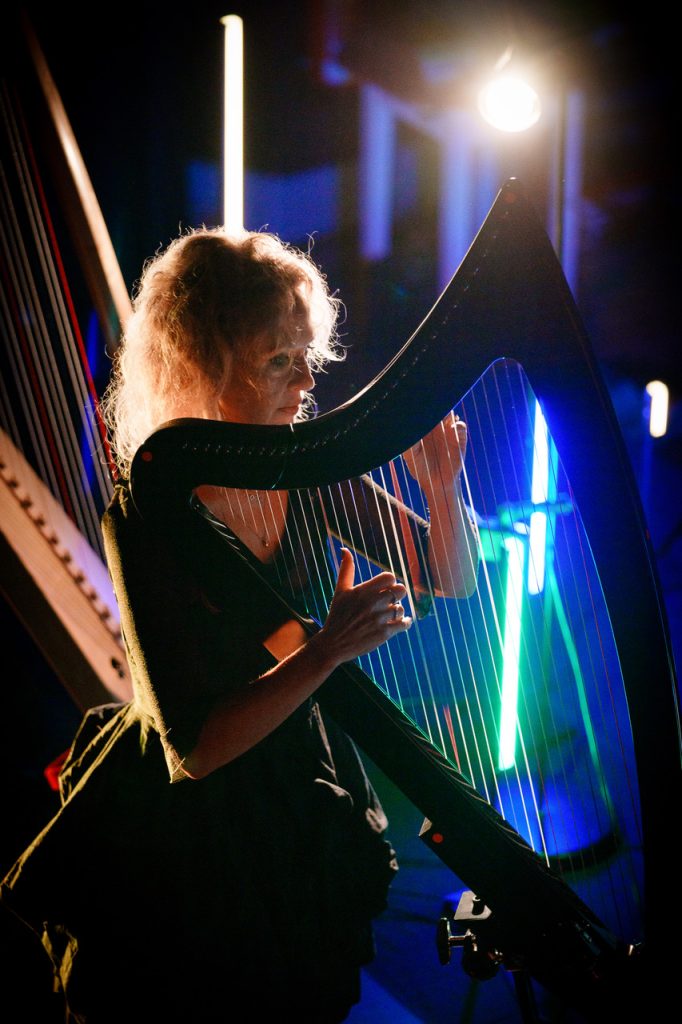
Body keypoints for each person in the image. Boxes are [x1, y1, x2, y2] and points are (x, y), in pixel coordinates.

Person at [1, 228, 479, 1022]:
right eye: (276, 361)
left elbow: (453, 579)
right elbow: (193, 753)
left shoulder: (302, 461)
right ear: (205, 364)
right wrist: (326, 650)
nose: (303, 386)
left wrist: (440, 490)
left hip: (301, 791)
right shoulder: (147, 517)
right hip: (192, 837)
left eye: (306, 358)